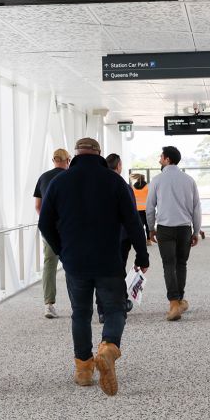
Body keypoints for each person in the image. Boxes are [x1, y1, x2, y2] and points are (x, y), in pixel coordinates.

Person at [38, 137, 149, 396]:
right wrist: (142, 256)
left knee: (80, 313)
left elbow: (44, 223)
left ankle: (84, 370)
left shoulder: (59, 182)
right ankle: (108, 348)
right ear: (98, 154)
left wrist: (62, 250)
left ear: (75, 155)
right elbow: (133, 222)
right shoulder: (114, 181)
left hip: (75, 261)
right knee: (114, 309)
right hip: (108, 259)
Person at [145, 146, 202, 322]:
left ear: (167, 159)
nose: (159, 159)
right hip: (184, 228)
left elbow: (149, 207)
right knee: (181, 264)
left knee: (168, 265)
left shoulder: (157, 180)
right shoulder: (189, 180)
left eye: (161, 157)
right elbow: (196, 208)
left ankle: (173, 303)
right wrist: (196, 230)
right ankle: (179, 299)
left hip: (165, 228)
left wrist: (151, 228)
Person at [96, 153, 136, 323]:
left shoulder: (96, 184)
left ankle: (102, 310)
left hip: (100, 237)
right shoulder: (124, 186)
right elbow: (132, 216)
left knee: (100, 272)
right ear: (119, 165)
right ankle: (120, 305)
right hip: (121, 237)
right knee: (118, 271)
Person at [34, 148, 71, 319]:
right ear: (67, 160)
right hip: (68, 227)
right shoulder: (71, 177)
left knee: (49, 264)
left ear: (53, 160)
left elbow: (37, 206)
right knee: (72, 262)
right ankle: (78, 302)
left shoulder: (43, 177)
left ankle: (49, 304)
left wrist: (48, 221)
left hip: (49, 228)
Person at [131, 173, 150, 239]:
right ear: (144, 179)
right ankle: (148, 240)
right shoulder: (148, 186)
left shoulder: (133, 187)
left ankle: (140, 238)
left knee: (139, 225)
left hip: (137, 209)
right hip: (147, 209)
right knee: (148, 224)